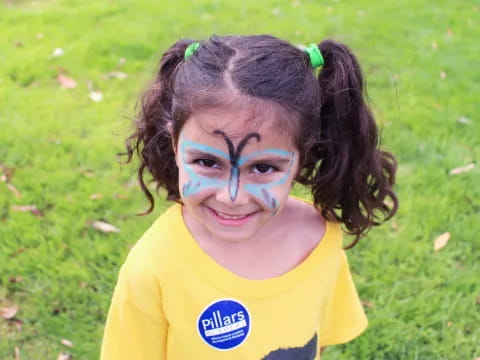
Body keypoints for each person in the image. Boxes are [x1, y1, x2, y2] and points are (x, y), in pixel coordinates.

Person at [100, 35, 398, 360]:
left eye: (264, 167)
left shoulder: (318, 239)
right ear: (174, 143)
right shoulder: (153, 269)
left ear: (303, 155)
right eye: (208, 162)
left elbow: (316, 339)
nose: (232, 196)